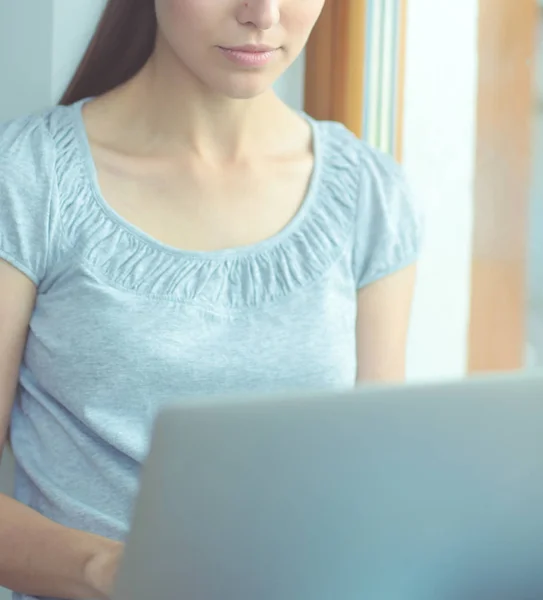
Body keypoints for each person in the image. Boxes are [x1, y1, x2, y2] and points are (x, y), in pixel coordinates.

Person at [0, 0, 422, 598]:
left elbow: (377, 483)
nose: (263, 14)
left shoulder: (372, 194)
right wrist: (112, 571)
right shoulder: (25, 179)